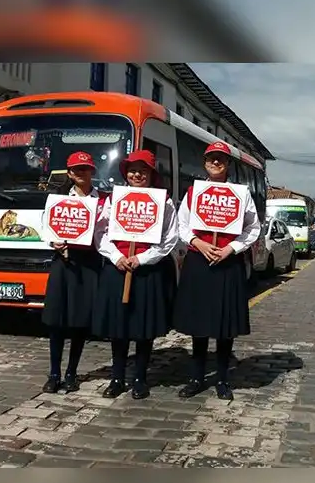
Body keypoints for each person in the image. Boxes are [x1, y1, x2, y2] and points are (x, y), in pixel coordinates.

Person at [173, 141, 261, 401]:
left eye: (221, 159)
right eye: (211, 158)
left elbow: (252, 228)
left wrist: (231, 248)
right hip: (199, 261)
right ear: (205, 162)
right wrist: (198, 243)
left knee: (224, 326)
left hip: (227, 263)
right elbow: (182, 225)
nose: (216, 162)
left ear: (228, 164)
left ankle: (223, 379)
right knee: (199, 325)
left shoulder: (241, 194)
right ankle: (197, 377)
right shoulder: (193, 193)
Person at [92, 150, 178, 400]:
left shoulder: (165, 202)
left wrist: (140, 259)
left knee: (143, 328)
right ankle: (117, 377)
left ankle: (140, 378)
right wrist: (117, 257)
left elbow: (169, 239)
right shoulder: (114, 200)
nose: (137, 175)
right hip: (117, 268)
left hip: (146, 270)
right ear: (125, 173)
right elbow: (100, 231)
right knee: (118, 328)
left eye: (142, 170)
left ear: (151, 173)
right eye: (132, 170)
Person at [40, 151, 110, 394]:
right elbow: (45, 226)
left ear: (92, 171)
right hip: (63, 262)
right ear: (69, 173)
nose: (81, 173)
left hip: (88, 262)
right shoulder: (58, 198)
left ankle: (72, 372)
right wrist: (53, 242)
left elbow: (106, 231)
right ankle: (54, 372)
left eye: (86, 168)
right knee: (56, 321)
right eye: (76, 169)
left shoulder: (103, 200)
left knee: (79, 322)